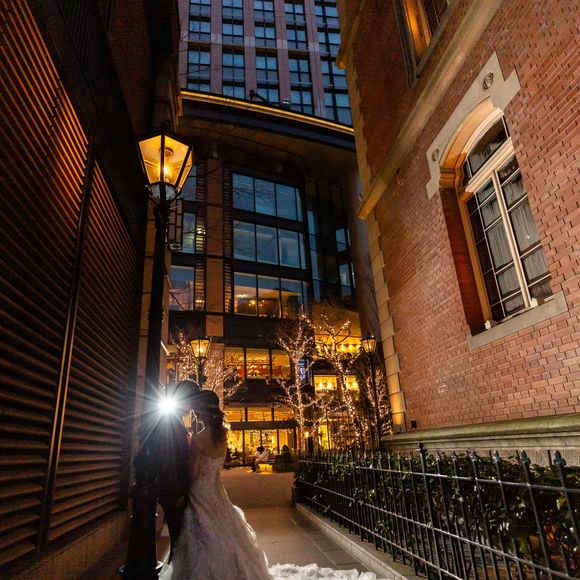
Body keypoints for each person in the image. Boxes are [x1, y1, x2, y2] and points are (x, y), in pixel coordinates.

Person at [161, 389, 385, 580]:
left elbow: (191, 473)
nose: (193, 413)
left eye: (195, 410)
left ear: (200, 412)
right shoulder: (222, 438)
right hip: (216, 491)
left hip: (200, 492)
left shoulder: (198, 438)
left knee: (203, 534)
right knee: (223, 529)